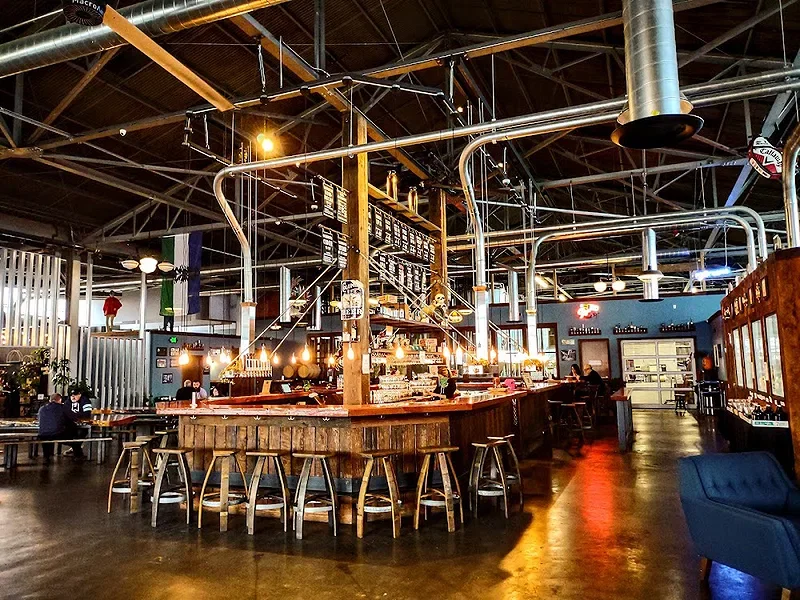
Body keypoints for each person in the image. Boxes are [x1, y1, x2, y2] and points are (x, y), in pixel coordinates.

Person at [38, 394, 85, 463]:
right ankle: (78, 456)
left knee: (47, 434)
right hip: (58, 434)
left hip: (43, 435)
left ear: (50, 400)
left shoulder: (42, 408)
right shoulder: (63, 407)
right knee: (75, 438)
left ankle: (46, 456)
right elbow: (74, 418)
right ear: (60, 400)